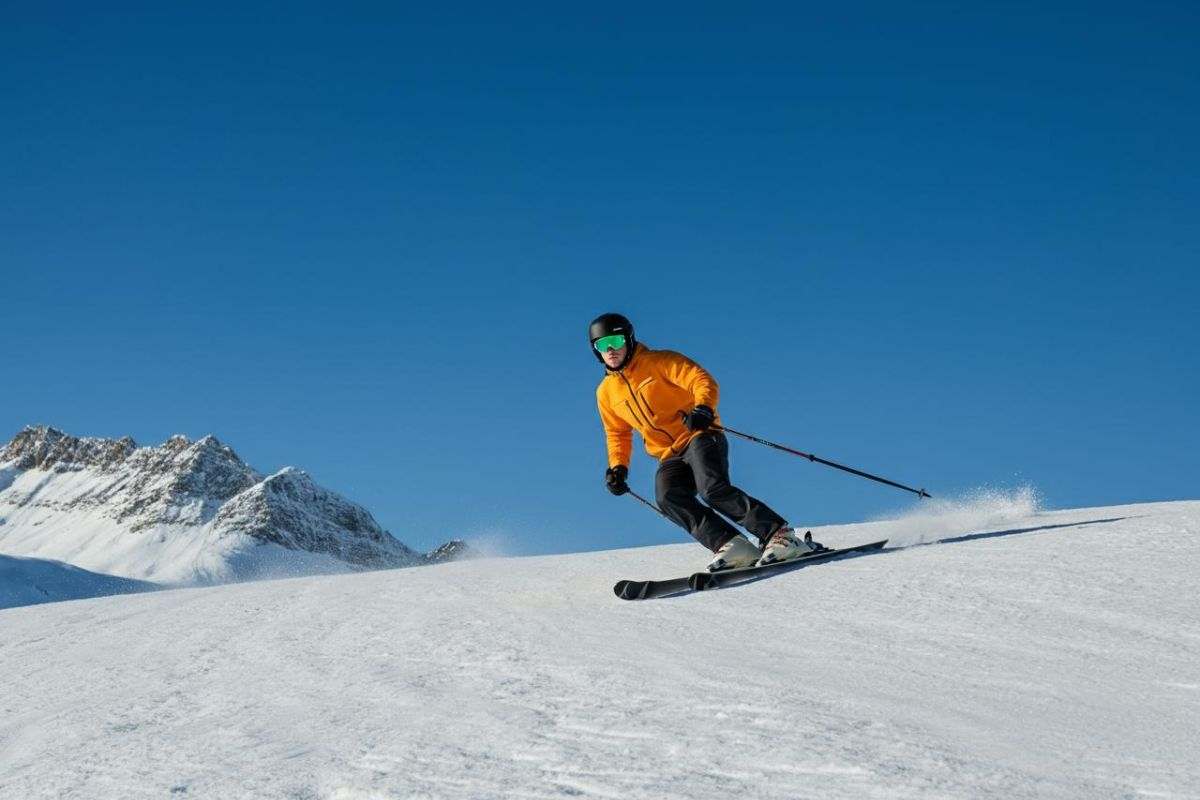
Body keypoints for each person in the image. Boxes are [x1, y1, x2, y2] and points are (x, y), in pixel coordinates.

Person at [590, 312, 821, 572]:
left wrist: (703, 409)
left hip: (699, 435)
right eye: (602, 345)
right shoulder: (606, 393)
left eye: (616, 341)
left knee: (712, 489)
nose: (610, 350)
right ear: (596, 351)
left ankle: (780, 535)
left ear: (629, 340)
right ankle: (732, 544)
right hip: (668, 454)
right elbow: (617, 433)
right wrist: (618, 467)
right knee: (668, 497)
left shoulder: (659, 362)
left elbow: (701, 379)